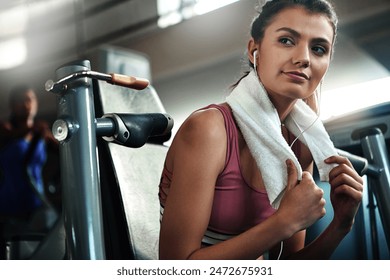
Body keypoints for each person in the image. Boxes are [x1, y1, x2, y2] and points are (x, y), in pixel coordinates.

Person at [158, 0, 364, 260]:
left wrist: (341, 226)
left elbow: (288, 266)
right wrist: (283, 223)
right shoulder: (208, 130)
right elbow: (174, 268)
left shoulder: (300, 144)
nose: (303, 58)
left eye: (319, 49)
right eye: (287, 40)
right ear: (254, 49)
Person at [0, 85, 59, 258]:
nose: (26, 105)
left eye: (30, 100)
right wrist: (31, 130)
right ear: (12, 105)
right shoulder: (6, 129)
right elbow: (10, 136)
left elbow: (63, 150)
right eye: (21, 101)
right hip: (9, 205)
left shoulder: (42, 133)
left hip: (36, 203)